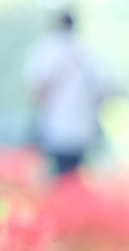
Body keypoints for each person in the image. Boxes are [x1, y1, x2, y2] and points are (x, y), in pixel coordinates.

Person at [24, 11, 112, 177]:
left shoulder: (48, 47)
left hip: (55, 128)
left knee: (55, 179)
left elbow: (37, 89)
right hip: (83, 132)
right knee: (72, 180)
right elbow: (103, 93)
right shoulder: (88, 52)